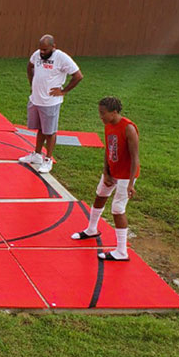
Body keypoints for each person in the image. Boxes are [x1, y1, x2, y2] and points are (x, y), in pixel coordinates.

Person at [71, 97, 140, 261]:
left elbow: (135, 158)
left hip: (125, 175)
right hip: (112, 171)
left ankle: (122, 252)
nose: (100, 117)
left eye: (103, 113)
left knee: (117, 208)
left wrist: (130, 183)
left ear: (114, 112)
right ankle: (91, 229)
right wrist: (106, 172)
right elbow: (108, 150)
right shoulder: (108, 125)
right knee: (100, 195)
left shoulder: (128, 128)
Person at [19, 34, 84, 173]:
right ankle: (37, 155)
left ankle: (48, 159)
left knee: (50, 131)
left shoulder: (61, 57)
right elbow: (29, 66)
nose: (42, 52)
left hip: (50, 102)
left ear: (53, 47)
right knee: (40, 129)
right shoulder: (37, 55)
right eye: (40, 49)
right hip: (36, 99)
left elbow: (78, 76)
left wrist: (64, 91)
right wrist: (32, 83)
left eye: (45, 50)